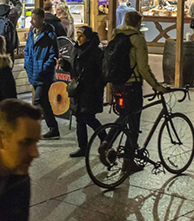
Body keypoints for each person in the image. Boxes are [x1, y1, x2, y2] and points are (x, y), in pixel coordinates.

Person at [111, 11, 167, 166]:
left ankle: (106, 143)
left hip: (117, 83)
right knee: (134, 123)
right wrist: (156, 85)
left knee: (123, 116)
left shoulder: (117, 36)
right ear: (138, 23)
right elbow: (143, 68)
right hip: (132, 85)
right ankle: (128, 160)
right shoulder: (138, 40)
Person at [64, 26, 105, 158]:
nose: (78, 38)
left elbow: (103, 72)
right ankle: (83, 147)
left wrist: (97, 85)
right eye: (77, 35)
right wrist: (64, 65)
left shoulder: (95, 52)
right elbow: (72, 68)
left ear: (87, 37)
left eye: (81, 35)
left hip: (90, 90)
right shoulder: (76, 49)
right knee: (79, 118)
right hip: (78, 90)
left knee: (88, 117)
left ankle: (105, 139)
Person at [24, 10, 60, 139]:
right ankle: (53, 129)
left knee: (37, 101)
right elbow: (27, 49)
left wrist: (44, 67)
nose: (31, 21)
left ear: (41, 19)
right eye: (31, 19)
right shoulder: (31, 32)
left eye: (34, 19)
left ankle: (28, 130)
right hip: (33, 70)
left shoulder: (50, 35)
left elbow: (53, 55)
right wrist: (27, 63)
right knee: (44, 102)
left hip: (44, 74)